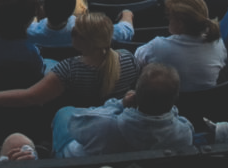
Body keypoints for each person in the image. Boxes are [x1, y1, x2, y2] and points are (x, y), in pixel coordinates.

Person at [53, 62, 192, 157]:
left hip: (79, 161)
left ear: (136, 95)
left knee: (65, 112)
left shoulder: (105, 124)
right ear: (175, 98)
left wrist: (119, 105)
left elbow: (75, 125)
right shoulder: (183, 132)